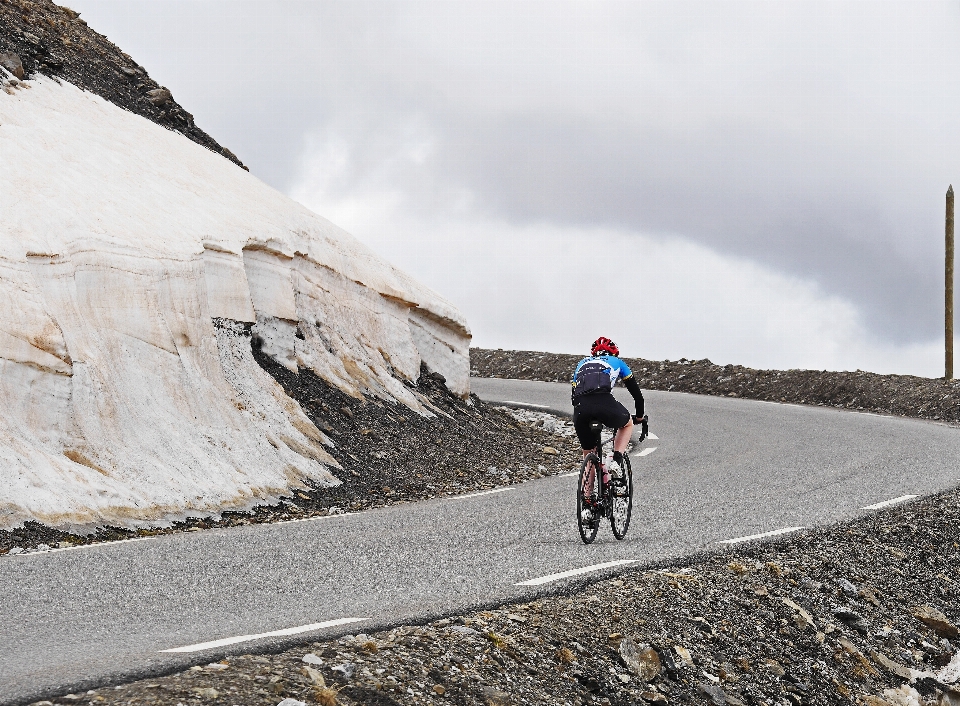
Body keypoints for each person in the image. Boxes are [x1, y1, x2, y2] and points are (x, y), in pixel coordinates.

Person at [571, 337, 646, 506]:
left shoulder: (581, 363)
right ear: (613, 352)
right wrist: (640, 416)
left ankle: (587, 503)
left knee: (589, 455)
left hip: (581, 409)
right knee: (627, 424)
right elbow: (637, 396)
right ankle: (617, 461)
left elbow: (574, 395)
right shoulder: (617, 362)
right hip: (604, 402)